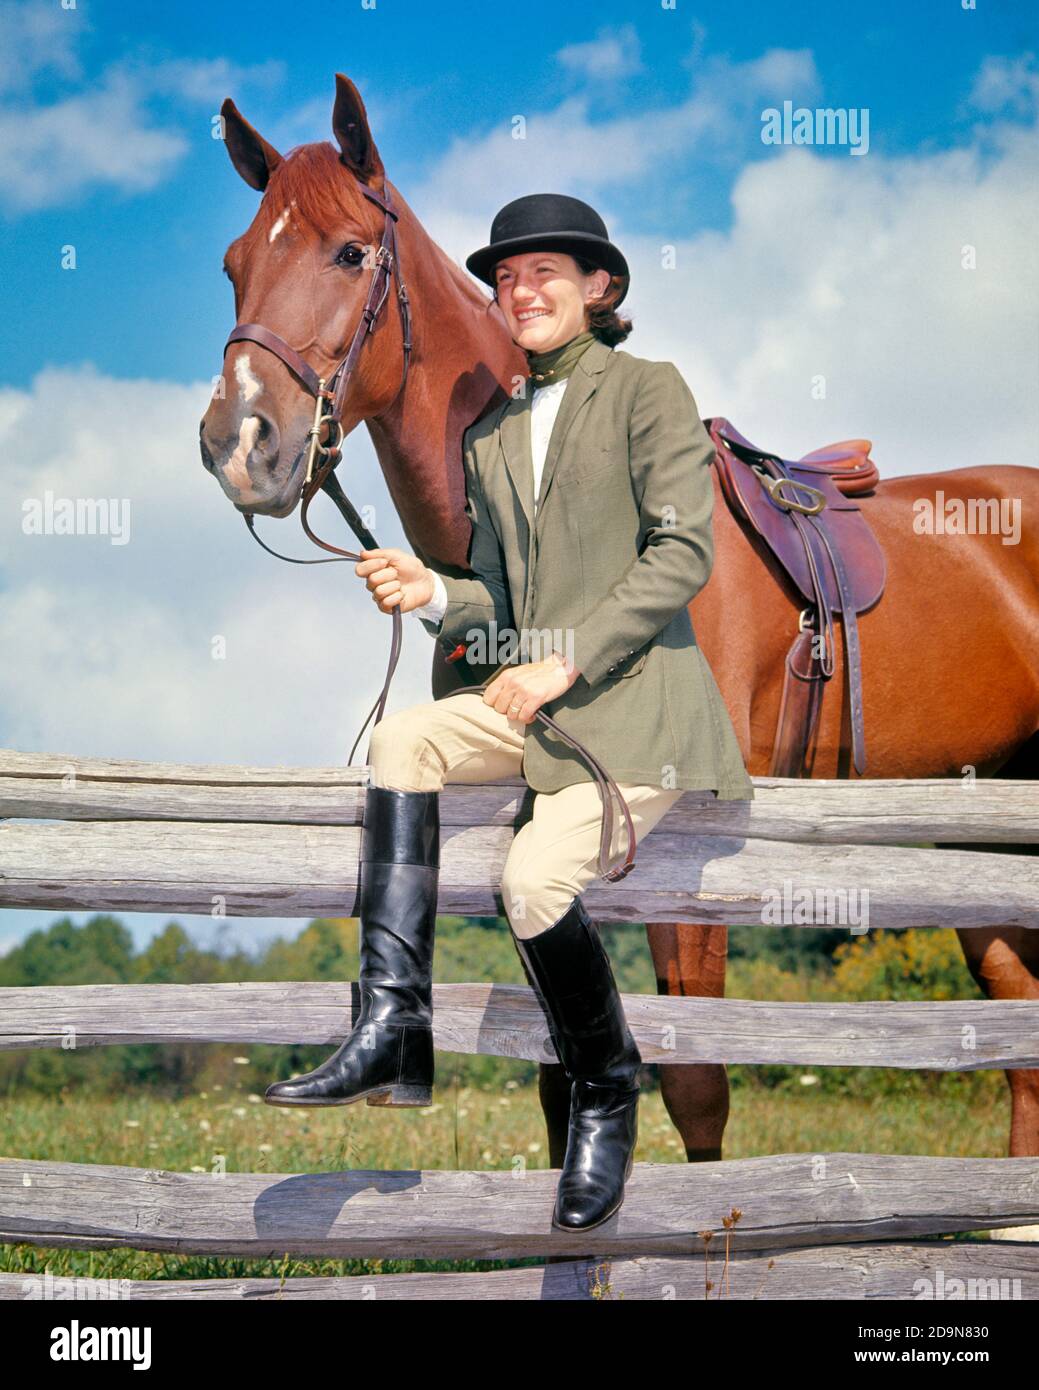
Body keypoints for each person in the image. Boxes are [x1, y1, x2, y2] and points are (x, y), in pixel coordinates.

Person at [264, 193, 754, 1231]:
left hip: (639, 712)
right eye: (507, 278)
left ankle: (603, 1089)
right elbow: (497, 594)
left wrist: (558, 661)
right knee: (403, 736)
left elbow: (681, 553)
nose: (519, 292)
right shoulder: (492, 438)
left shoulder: (648, 391)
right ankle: (393, 1024)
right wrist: (432, 590)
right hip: (540, 707)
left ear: (598, 290)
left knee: (532, 876)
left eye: (545, 275)